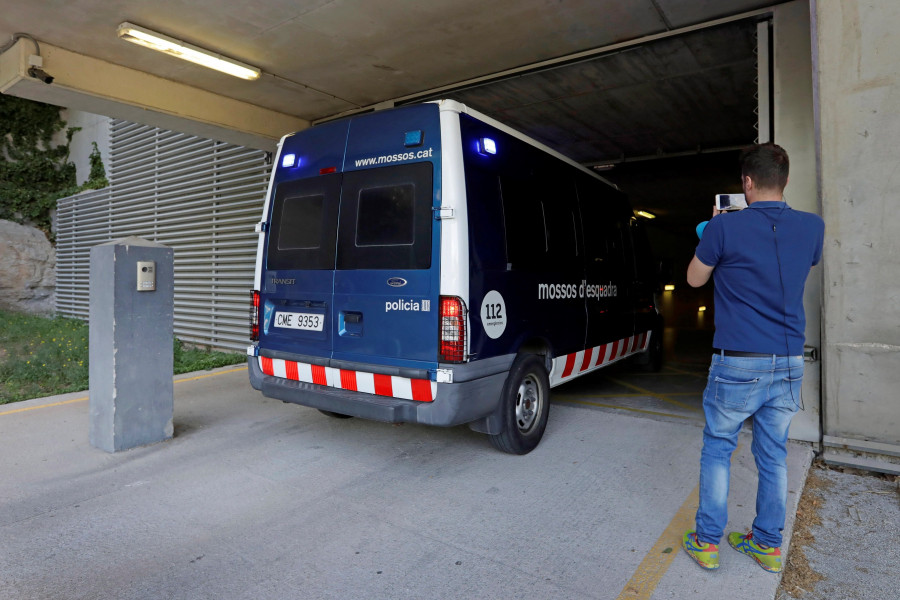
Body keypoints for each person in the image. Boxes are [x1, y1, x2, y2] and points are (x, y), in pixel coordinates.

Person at [681, 142, 824, 572]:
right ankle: (766, 544)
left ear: (746, 183)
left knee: (719, 447)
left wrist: (711, 229)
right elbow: (800, 255)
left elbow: (693, 279)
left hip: (737, 361)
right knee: (773, 453)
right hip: (787, 362)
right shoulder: (812, 226)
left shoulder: (725, 228)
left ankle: (707, 541)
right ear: (784, 180)